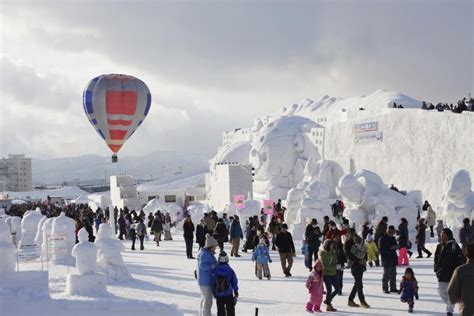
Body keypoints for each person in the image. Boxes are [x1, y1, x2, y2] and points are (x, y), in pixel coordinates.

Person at [434, 228, 464, 316]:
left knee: (451, 293)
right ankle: (451, 303)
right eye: (441, 234)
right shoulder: (439, 246)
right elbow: (436, 259)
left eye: (443, 234)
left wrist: (458, 271)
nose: (441, 235)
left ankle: (449, 310)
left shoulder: (454, 246)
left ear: (448, 235)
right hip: (441, 274)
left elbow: (460, 259)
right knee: (441, 292)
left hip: (452, 274)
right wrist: (436, 269)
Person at [345, 230, 370, 308]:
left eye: (353, 233)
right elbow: (349, 255)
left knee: (357, 284)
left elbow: (365, 250)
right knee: (359, 284)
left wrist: (365, 260)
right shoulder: (348, 243)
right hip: (354, 265)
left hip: (361, 265)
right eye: (350, 233)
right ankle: (362, 301)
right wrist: (359, 260)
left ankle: (350, 300)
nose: (352, 235)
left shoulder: (359, 240)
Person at [448, 242, 474, 316]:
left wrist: (455, 299)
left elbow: (451, 290)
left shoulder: (460, 270)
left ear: (465, 254)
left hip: (467, 307)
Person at [211, 251, 239, 316]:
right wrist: (236, 291)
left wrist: (214, 292)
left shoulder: (215, 270)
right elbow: (234, 281)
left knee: (220, 310)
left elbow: (213, 282)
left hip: (218, 294)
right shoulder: (230, 270)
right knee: (230, 310)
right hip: (228, 294)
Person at [197, 234, 218, 316]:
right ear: (210, 246)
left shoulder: (207, 253)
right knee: (208, 301)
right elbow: (202, 266)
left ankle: (202, 314)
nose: (215, 248)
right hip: (205, 281)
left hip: (205, 280)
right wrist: (213, 266)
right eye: (214, 246)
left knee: (204, 299)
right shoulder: (205, 254)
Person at [319, 239, 339, 312]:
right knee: (329, 290)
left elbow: (335, 262)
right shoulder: (323, 254)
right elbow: (324, 266)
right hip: (326, 274)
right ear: (327, 245)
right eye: (331, 245)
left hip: (333, 273)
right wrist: (335, 267)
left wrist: (338, 266)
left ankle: (327, 300)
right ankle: (328, 305)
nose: (332, 246)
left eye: (333, 245)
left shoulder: (333, 252)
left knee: (337, 289)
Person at [379, 225, 399, 294]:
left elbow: (395, 245)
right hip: (386, 259)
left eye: (392, 232)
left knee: (393, 274)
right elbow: (381, 249)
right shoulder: (382, 238)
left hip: (393, 258)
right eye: (390, 232)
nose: (391, 233)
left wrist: (396, 247)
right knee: (386, 275)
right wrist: (390, 248)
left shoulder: (393, 238)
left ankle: (393, 288)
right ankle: (385, 288)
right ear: (387, 231)